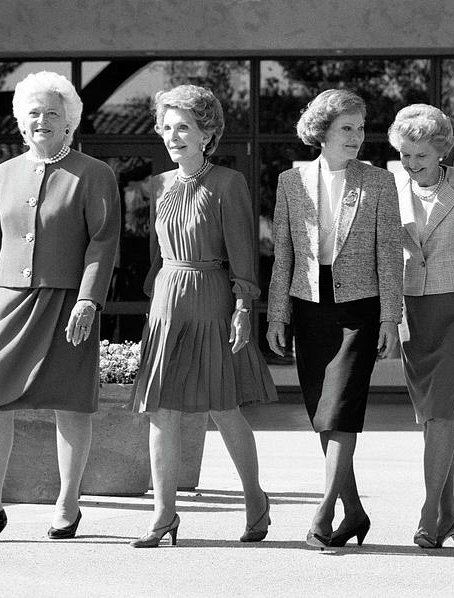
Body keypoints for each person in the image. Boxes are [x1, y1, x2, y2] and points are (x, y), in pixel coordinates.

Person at [0, 71, 120, 540]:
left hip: (68, 305)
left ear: (70, 122)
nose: (42, 120)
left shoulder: (94, 174)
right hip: (6, 301)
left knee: (71, 404)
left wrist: (89, 299)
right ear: (21, 123)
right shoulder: (3, 174)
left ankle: (67, 505)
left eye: (52, 113)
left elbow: (103, 243)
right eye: (33, 113)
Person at [130, 85, 277, 548]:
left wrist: (242, 308)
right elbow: (156, 254)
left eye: (183, 127)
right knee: (161, 409)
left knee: (222, 407)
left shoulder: (228, 183)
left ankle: (255, 499)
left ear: (206, 133)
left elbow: (243, 256)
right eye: (167, 126)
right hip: (167, 304)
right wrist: (157, 290)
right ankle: (163, 515)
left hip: (212, 297)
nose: (173, 135)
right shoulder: (159, 184)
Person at [266, 89, 402, 548]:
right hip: (308, 307)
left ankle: (323, 515)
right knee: (322, 413)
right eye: (347, 128)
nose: (357, 137)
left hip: (359, 310)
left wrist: (390, 318)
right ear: (321, 132)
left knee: (341, 409)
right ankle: (356, 511)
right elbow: (282, 254)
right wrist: (277, 315)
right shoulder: (291, 182)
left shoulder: (379, 182)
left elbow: (389, 255)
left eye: (361, 128)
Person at [387, 104, 454, 548]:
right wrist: (389, 313)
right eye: (406, 156)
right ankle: (449, 515)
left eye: (421, 157)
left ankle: (430, 513)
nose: (412, 165)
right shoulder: (389, 186)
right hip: (414, 313)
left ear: (442, 152)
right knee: (434, 419)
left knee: (438, 413)